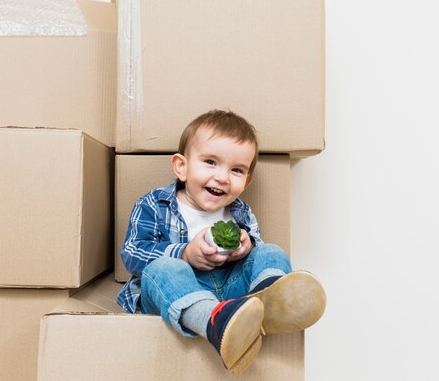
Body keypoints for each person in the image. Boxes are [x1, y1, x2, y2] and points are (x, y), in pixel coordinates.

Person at [117, 109, 326, 374]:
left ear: (247, 181)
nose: (223, 177)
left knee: (270, 251)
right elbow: (132, 254)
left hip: (231, 295)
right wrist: (185, 253)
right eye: (210, 162)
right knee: (163, 269)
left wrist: (246, 247)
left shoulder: (241, 213)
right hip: (178, 294)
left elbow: (255, 256)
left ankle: (267, 301)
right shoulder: (153, 205)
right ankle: (214, 323)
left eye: (236, 170)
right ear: (182, 166)